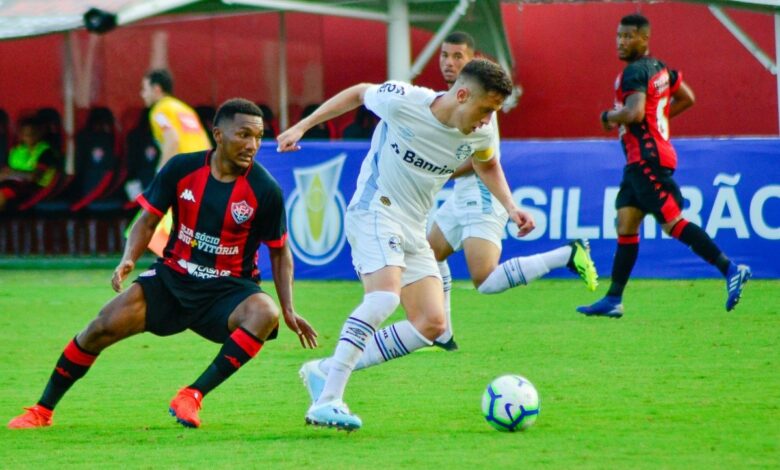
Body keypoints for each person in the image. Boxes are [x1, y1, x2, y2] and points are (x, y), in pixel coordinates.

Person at [8, 98, 318, 430]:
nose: (252, 145)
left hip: (227, 291)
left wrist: (287, 308)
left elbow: (280, 252)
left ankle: (192, 395)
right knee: (99, 327)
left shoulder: (265, 190)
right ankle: (41, 411)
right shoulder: (181, 169)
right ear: (218, 134)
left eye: (258, 137)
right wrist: (129, 257)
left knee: (264, 313)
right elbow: (147, 220)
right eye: (243, 135)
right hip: (172, 279)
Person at [278, 58, 534, 431]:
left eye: (493, 112)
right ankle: (329, 399)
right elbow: (358, 92)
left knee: (431, 323)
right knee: (383, 298)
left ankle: (325, 370)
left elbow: (487, 163)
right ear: (461, 95)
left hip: (413, 226)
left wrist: (510, 207)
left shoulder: (481, 129)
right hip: (374, 209)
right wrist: (302, 126)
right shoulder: (405, 100)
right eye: (484, 109)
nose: (486, 120)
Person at [425, 31, 598, 351]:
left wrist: (434, 168)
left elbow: (480, 161)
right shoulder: (451, 97)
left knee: (486, 282)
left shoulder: (481, 102)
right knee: (429, 253)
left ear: (472, 59)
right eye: (444, 55)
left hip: (481, 194)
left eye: (457, 57)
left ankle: (566, 254)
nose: (449, 63)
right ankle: (442, 334)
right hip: (462, 194)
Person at [577, 14, 750, 318]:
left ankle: (730, 269)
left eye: (629, 36)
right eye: (619, 36)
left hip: (647, 159)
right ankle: (614, 298)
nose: (621, 41)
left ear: (644, 39)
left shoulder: (633, 72)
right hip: (641, 160)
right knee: (626, 223)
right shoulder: (661, 69)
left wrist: (608, 117)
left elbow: (633, 113)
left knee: (672, 223)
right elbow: (687, 97)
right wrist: (660, 119)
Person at [138, 69, 212, 256]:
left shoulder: (159, 110)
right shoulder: (184, 109)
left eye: (144, 88)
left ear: (156, 89)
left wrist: (161, 171)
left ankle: (173, 262)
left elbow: (172, 139)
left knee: (157, 221)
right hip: (205, 169)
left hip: (184, 174)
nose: (142, 94)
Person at [0, 117, 58, 211]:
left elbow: (34, 177)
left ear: (40, 133)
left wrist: (12, 172)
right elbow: (4, 172)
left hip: (34, 189)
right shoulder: (16, 151)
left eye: (32, 134)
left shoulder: (46, 152)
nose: (29, 137)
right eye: (26, 134)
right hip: (12, 185)